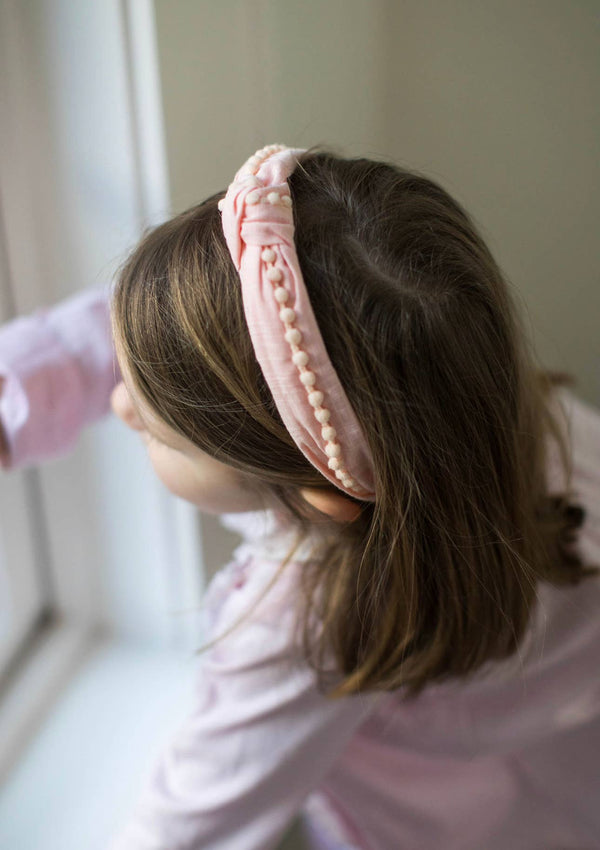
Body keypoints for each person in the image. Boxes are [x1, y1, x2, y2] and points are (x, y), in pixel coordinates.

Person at [0, 144, 599, 850]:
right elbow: (174, 332)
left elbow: (190, 822)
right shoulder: (461, 397)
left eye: (163, 435)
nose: (123, 406)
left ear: (320, 495)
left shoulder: (303, 630)